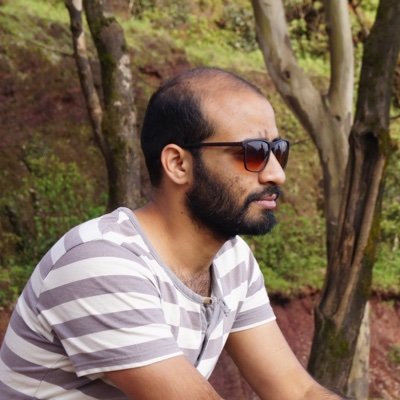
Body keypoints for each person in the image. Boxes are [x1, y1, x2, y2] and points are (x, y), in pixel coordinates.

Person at [0, 67, 343, 399]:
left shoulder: (231, 260)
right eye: (253, 152)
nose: (276, 174)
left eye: (278, 151)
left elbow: (297, 391)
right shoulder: (101, 263)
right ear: (178, 164)